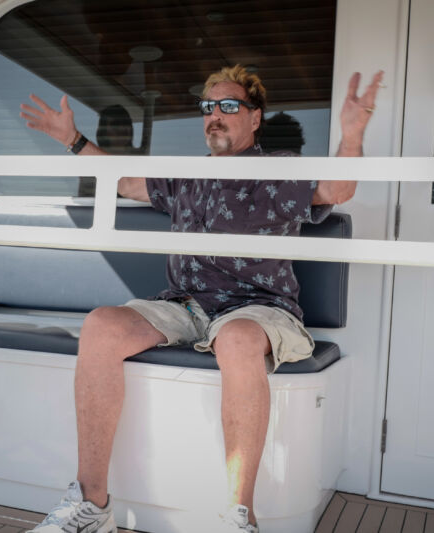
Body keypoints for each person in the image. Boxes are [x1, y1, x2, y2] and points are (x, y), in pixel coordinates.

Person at [20, 65, 383, 533]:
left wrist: (352, 134)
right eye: (208, 107)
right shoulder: (187, 175)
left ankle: (238, 517)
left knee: (234, 340)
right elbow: (126, 182)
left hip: (258, 307)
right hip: (186, 305)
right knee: (102, 326)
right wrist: (72, 139)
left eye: (229, 106)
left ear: (255, 119)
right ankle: (92, 506)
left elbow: (337, 189)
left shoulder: (279, 167)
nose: (216, 115)